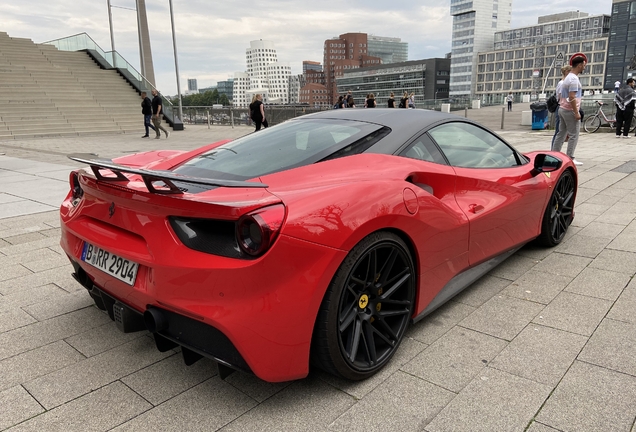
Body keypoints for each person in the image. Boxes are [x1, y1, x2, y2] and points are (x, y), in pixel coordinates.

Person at [552, 53, 587, 166]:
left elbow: (561, 94)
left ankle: (554, 155)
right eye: (584, 65)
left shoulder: (567, 78)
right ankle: (570, 157)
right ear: (580, 65)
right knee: (574, 135)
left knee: (561, 133)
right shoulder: (574, 79)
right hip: (569, 110)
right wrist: (576, 112)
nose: (584, 67)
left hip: (562, 108)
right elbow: (572, 96)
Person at [551, 65, 572, 150]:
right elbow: (561, 96)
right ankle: (554, 150)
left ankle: (555, 150)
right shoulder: (562, 83)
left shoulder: (564, 83)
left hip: (562, 106)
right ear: (566, 72)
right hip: (561, 106)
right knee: (559, 131)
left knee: (561, 131)